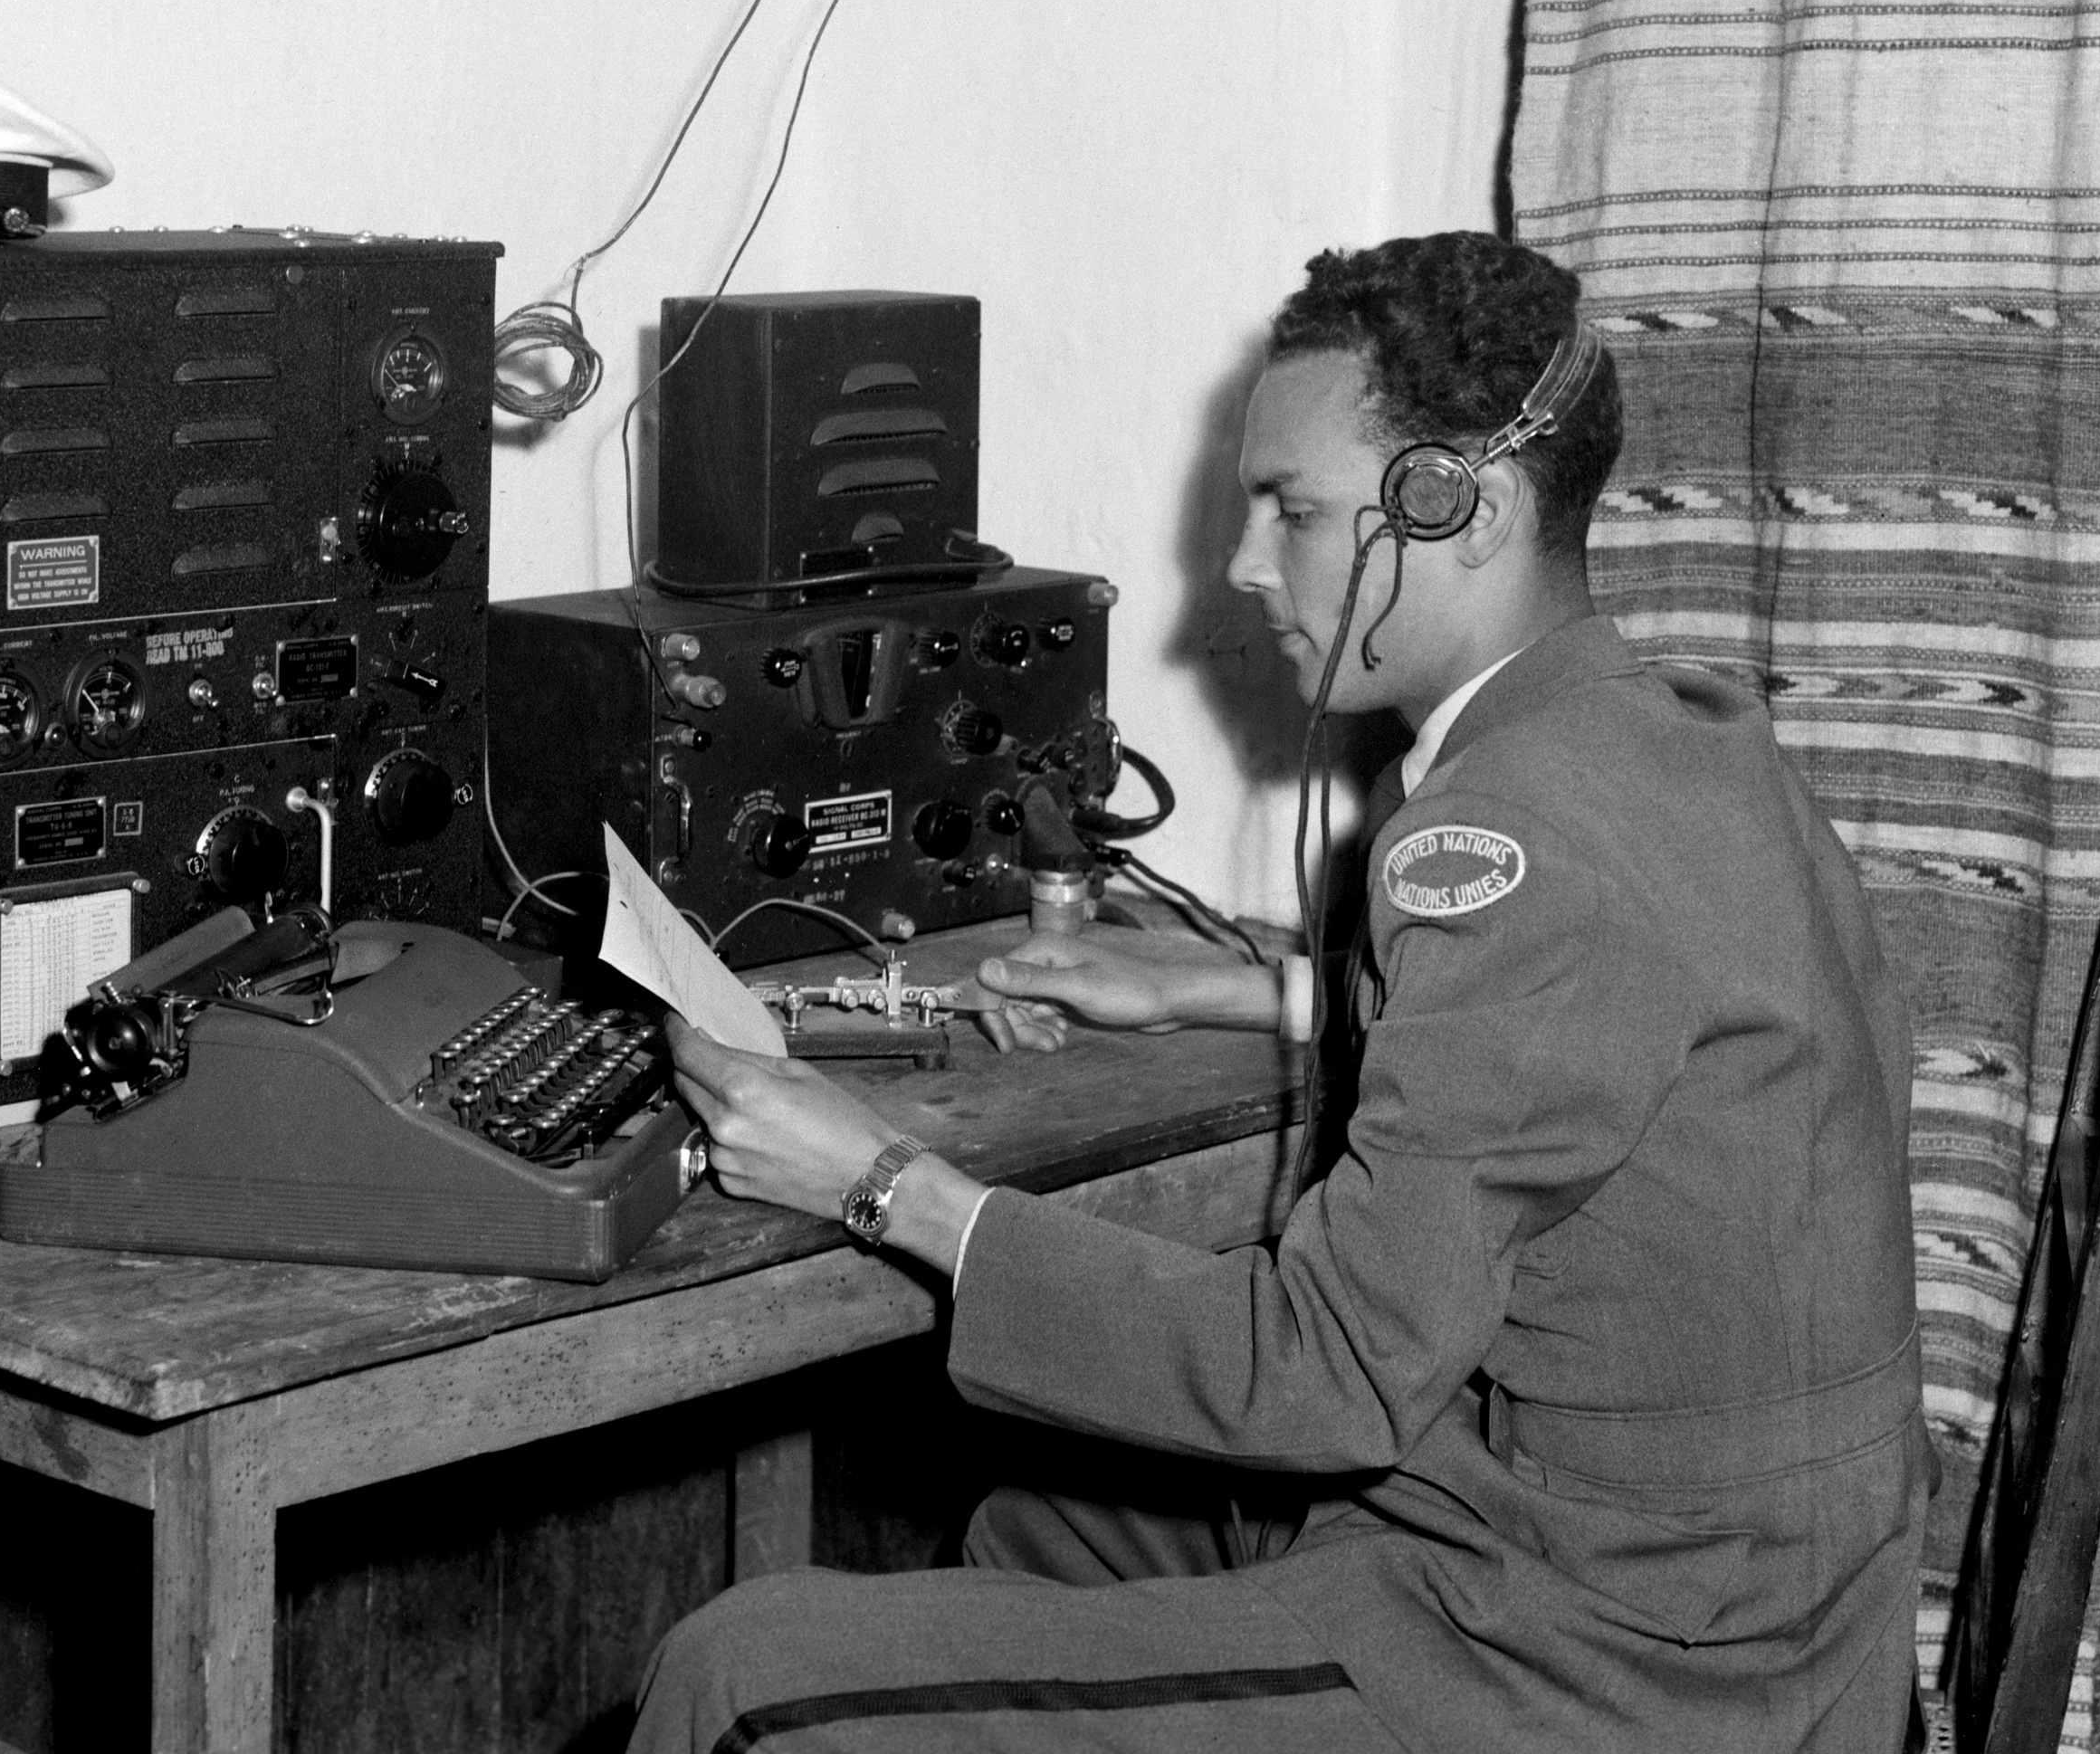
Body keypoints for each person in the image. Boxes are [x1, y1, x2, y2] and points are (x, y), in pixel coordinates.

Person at [632, 232, 1929, 1753]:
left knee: (745, 1676)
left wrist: (883, 1183)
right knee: (1057, 1521)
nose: (1246, 566)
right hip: (1769, 1591)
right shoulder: (1670, 734)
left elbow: (1325, 1375)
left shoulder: (1514, 840)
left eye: (1294, 510)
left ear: (1460, 508)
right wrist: (1234, 988)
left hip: (1612, 1661)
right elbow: (1617, 1036)